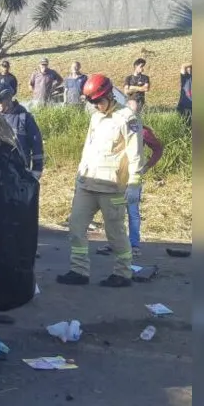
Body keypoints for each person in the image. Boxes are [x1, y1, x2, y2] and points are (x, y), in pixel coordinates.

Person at [57, 73, 143, 288]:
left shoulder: (127, 119)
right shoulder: (95, 118)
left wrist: (134, 184)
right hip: (87, 184)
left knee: (115, 234)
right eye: (91, 102)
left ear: (109, 95)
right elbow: (89, 148)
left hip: (112, 188)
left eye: (98, 101)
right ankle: (79, 271)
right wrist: (79, 177)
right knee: (76, 228)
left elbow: (135, 154)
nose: (95, 106)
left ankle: (123, 274)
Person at [96, 125, 163, 259]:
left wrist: (147, 166)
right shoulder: (114, 128)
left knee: (132, 211)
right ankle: (115, 242)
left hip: (132, 179)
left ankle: (134, 245)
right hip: (115, 178)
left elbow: (158, 148)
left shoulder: (142, 130)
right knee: (114, 210)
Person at [0, 81, 44, 179]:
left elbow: (36, 144)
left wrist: (37, 170)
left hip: (19, 173)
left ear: (8, 99)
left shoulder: (24, 118)